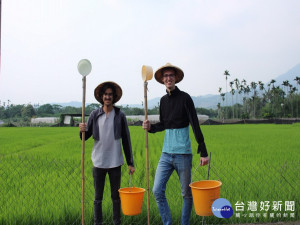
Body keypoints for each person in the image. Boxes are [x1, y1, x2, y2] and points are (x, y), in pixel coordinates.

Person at [142, 63, 209, 225]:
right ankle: (168, 223)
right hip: (166, 154)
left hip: (183, 154)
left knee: (186, 193)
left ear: (176, 78)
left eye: (171, 75)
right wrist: (150, 128)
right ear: (163, 80)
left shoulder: (185, 98)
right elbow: (163, 124)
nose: (168, 78)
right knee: (157, 190)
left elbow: (194, 123)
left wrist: (203, 151)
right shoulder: (163, 101)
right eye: (165, 76)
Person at [79, 81, 135, 225]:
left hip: (115, 162)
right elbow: (85, 138)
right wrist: (82, 130)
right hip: (98, 162)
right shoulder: (94, 114)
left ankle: (117, 222)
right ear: (101, 97)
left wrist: (130, 163)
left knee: (116, 197)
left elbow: (126, 139)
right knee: (98, 198)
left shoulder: (120, 115)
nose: (108, 97)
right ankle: (98, 223)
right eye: (105, 94)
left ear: (114, 97)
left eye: (110, 94)